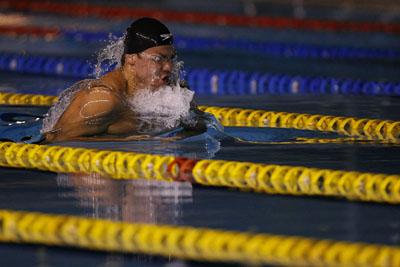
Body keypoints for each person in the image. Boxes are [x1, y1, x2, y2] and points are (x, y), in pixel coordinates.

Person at [41, 17, 208, 143]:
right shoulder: (103, 100)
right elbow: (54, 140)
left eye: (171, 58)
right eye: (158, 59)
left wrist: (188, 109)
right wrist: (126, 141)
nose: (169, 67)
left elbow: (200, 127)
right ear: (131, 59)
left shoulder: (159, 91)